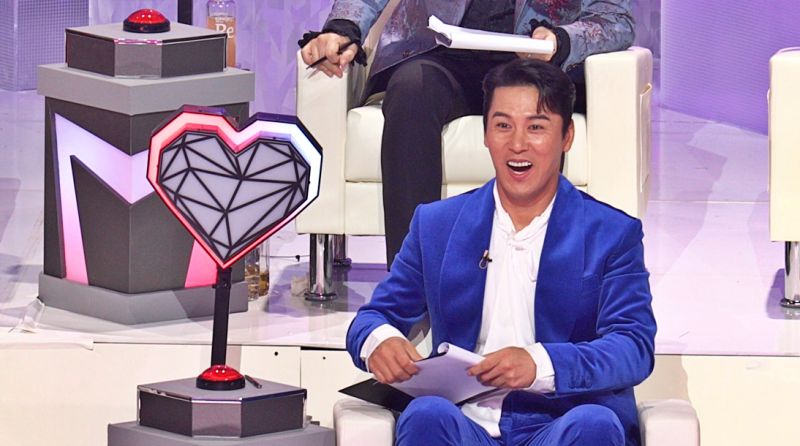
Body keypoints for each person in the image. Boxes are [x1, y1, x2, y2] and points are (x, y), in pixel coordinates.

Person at [345, 58, 656, 446]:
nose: (517, 144)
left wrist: (540, 364)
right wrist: (379, 341)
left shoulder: (612, 233)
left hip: (561, 421)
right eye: (503, 126)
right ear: (486, 134)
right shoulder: (436, 224)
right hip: (466, 424)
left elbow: (633, 346)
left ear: (567, 137)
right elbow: (373, 317)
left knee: (594, 424)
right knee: (426, 415)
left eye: (536, 127)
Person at [299, 0, 635, 268]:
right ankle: (412, 285)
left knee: (537, 104)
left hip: (532, 63)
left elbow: (616, 19)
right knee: (412, 90)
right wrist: (343, 28)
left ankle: (539, 277)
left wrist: (559, 40)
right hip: (442, 55)